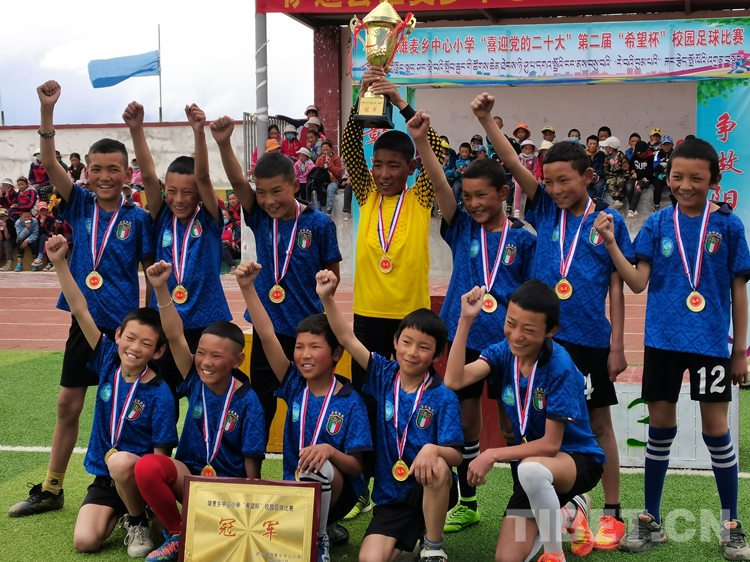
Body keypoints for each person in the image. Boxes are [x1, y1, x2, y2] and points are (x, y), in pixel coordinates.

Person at [477, 92, 634, 551]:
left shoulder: (608, 221)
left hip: (589, 340)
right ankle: (545, 503)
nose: (556, 189)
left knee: (599, 425)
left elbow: (617, 287)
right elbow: (511, 160)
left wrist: (617, 345)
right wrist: (487, 121)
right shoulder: (543, 207)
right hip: (542, 342)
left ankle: (612, 513)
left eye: (565, 180)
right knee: (529, 424)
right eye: (548, 181)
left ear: (589, 176)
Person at [594, 138, 750, 560]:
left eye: (696, 178)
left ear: (714, 180)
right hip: (661, 341)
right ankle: (651, 520)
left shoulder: (728, 225)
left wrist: (740, 351)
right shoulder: (659, 223)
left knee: (716, 431)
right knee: (660, 430)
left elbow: (739, 290)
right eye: (677, 177)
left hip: (711, 344)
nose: (685, 185)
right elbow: (637, 282)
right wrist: (611, 243)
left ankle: (731, 524)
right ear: (668, 177)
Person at [8, 80, 155, 519]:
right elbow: (50, 162)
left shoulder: (138, 218)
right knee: (67, 404)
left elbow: (150, 272)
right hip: (84, 321)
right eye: (96, 169)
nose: (105, 176)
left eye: (114, 169)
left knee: (128, 409)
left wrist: (151, 322)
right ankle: (52, 488)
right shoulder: (80, 204)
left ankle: (134, 490)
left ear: (126, 174)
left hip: (124, 331)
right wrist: (46, 111)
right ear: (86, 173)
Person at [408, 108, 536, 535]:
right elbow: (440, 184)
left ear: (504, 193)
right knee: (464, 423)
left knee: (510, 423)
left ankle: (522, 501)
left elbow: (528, 296)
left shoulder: (523, 239)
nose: (473, 203)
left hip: (507, 345)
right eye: (468, 197)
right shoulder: (460, 226)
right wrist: (422, 141)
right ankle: (468, 503)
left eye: (482, 195)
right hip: (463, 339)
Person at [340, 65, 444, 518]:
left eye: (394, 166)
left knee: (407, 403)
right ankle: (362, 489)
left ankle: (407, 483)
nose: (383, 173)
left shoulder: (420, 197)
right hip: (367, 318)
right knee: (366, 405)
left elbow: (438, 148)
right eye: (378, 164)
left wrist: (400, 101)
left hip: (410, 322)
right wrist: (362, 97)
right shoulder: (366, 195)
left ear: (411, 168)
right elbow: (349, 146)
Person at [444, 281, 605, 562]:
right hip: (532, 471)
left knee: (530, 470)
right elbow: (454, 380)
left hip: (576, 461)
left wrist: (491, 454)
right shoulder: (503, 351)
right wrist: (466, 320)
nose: (516, 335)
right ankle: (572, 511)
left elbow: (551, 445)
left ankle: (554, 555)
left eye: (528, 329)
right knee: (506, 559)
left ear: (551, 330)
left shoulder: (560, 367)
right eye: (510, 323)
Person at [210, 115, 342, 443]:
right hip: (267, 327)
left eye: (277, 191)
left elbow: (333, 277)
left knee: (309, 404)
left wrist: (327, 283)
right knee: (262, 404)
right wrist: (224, 143)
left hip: (307, 331)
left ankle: (311, 464)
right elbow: (238, 180)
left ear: (295, 186)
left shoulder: (320, 224)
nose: (269, 200)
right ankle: (251, 466)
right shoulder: (259, 216)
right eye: (262, 192)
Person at [316, 268, 463, 562]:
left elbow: (456, 456)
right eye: (406, 342)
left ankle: (433, 546)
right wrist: (326, 298)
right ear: (395, 341)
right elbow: (346, 338)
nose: (412, 352)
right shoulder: (384, 374)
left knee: (438, 465)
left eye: (424, 347)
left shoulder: (443, 395)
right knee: (370, 559)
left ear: (437, 355)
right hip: (390, 497)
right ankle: (417, 530)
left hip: (429, 485)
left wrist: (433, 449)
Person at [43, 234, 176, 557]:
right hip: (106, 478)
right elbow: (80, 309)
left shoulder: (160, 392)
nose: (134, 348)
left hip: (141, 476)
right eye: (130, 338)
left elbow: (161, 455)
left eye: (146, 344)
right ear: (117, 335)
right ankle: (125, 513)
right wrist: (60, 263)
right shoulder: (107, 360)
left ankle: (138, 518)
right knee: (85, 541)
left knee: (122, 463)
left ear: (158, 352)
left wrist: (162, 510)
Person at [237, 261, 373, 560]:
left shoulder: (351, 401)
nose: (304, 355)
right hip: (295, 487)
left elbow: (356, 468)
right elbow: (267, 334)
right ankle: (324, 527)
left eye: (315, 347)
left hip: (338, 490)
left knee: (316, 467)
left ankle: (318, 539)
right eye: (299, 347)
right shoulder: (294, 384)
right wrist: (247, 287)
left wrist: (328, 451)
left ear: (336, 354)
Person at [135, 260, 266, 562]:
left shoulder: (249, 402)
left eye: (216, 356)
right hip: (191, 481)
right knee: (148, 466)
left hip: (229, 493)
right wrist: (161, 288)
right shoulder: (195, 380)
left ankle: (210, 530)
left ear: (238, 360)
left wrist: (250, 518)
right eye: (202, 353)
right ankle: (178, 533)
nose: (205, 362)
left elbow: (252, 471)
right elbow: (175, 336)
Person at [125, 101, 233, 402]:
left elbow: (204, 177)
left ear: (198, 194)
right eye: (171, 191)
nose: (179, 199)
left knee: (208, 398)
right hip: (166, 322)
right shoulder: (162, 217)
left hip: (206, 321)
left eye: (187, 192)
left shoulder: (209, 220)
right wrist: (136, 129)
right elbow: (148, 177)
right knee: (163, 397)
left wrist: (199, 132)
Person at [626, 140, 657, 218]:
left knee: (638, 188)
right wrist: (632, 170)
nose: (639, 155)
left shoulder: (651, 157)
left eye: (641, 153)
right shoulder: (635, 156)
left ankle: (631, 209)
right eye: (637, 153)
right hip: (635, 176)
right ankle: (633, 208)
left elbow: (651, 172)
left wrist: (638, 174)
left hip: (647, 178)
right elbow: (631, 165)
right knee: (629, 187)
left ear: (646, 151)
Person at [601, 137, 629, 210]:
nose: (605, 148)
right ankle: (616, 199)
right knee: (611, 183)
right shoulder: (607, 157)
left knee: (621, 182)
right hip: (611, 176)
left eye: (606, 147)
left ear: (611, 148)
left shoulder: (622, 156)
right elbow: (606, 168)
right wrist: (608, 176)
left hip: (621, 175)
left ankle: (620, 199)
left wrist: (625, 176)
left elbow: (626, 168)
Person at [316, 140, 342, 216]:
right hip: (322, 180)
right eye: (323, 150)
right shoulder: (319, 159)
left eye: (327, 149)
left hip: (333, 180)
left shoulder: (336, 159)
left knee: (330, 190)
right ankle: (318, 211)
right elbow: (316, 172)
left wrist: (330, 164)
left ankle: (329, 211)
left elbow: (337, 173)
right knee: (315, 190)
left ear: (331, 149)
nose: (325, 152)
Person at [652, 135, 674, 212]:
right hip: (660, 175)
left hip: (672, 175)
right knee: (657, 186)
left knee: (674, 186)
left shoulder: (675, 154)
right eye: (664, 145)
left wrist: (670, 171)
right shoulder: (657, 154)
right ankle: (656, 205)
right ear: (661, 146)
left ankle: (675, 205)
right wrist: (663, 170)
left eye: (668, 144)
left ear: (672, 145)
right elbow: (655, 165)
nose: (666, 147)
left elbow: (677, 164)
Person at [34, 201, 55, 269]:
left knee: (45, 239)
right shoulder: (36, 219)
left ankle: (40, 257)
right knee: (38, 240)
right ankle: (48, 263)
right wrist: (41, 225)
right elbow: (37, 232)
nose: (43, 212)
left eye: (44, 210)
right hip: (41, 236)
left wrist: (43, 224)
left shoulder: (51, 218)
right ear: (38, 212)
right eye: (41, 211)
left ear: (47, 210)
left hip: (50, 235)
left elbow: (49, 230)